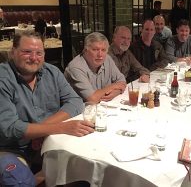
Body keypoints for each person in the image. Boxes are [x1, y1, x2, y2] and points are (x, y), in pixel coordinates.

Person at [0, 31, 94, 184]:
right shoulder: (3, 78)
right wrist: (60, 128)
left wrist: (43, 130)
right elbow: (10, 128)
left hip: (48, 140)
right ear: (13, 52)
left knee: (87, 163)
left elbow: (75, 101)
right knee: (17, 180)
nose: (34, 58)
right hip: (12, 148)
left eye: (39, 53)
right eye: (27, 52)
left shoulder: (52, 72)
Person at [64, 32, 127, 103]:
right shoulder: (76, 68)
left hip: (103, 107)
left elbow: (122, 81)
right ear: (85, 50)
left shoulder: (107, 59)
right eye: (95, 50)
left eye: (103, 50)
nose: (100, 55)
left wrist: (115, 92)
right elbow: (92, 99)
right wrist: (113, 86)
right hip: (82, 111)